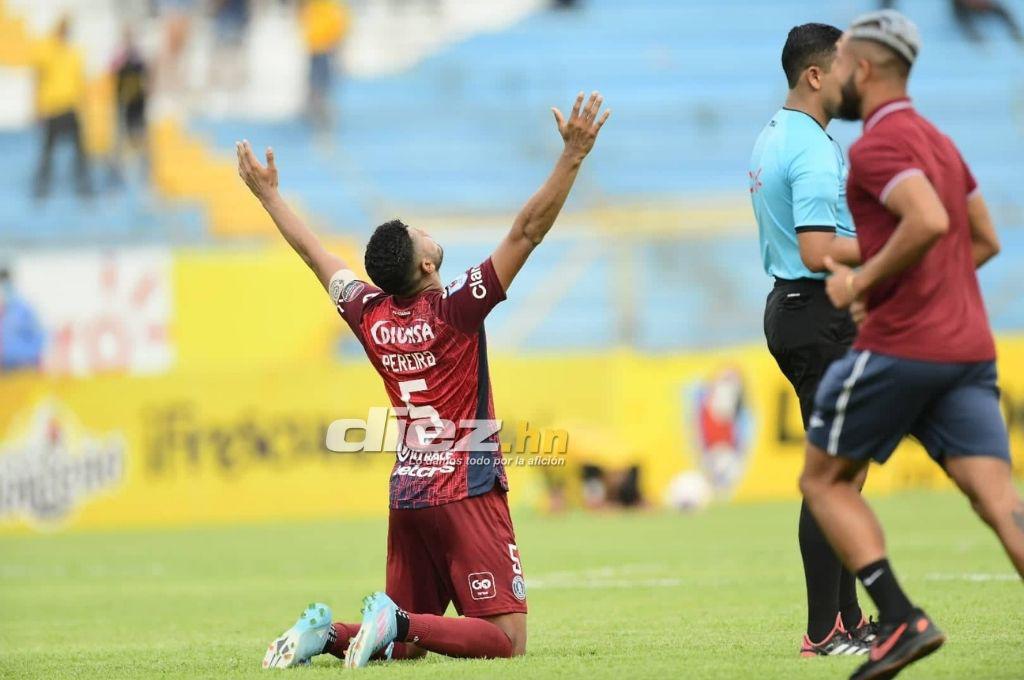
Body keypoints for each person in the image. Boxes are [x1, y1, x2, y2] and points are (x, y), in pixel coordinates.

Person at [238, 91, 610, 668]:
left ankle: (325, 635)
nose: (428, 230)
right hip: (465, 486)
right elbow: (527, 232)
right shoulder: (457, 308)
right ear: (427, 266)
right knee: (507, 641)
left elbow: (315, 255)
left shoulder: (368, 313)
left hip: (408, 491)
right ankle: (396, 618)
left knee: (404, 647)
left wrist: (268, 195)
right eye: (421, 234)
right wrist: (573, 157)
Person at [797, 11, 1020, 680]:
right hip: (968, 351)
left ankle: (899, 618)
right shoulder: (941, 142)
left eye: (840, 66)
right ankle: (899, 620)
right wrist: (907, 285)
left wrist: (863, 283)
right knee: (998, 500)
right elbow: (983, 240)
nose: (833, 78)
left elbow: (928, 219)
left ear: (862, 70)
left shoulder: (876, 146)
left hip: (902, 350)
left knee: (822, 479)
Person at [749, 22, 873, 658]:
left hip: (797, 307)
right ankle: (823, 628)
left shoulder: (778, 134)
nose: (859, 78)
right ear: (815, 76)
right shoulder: (812, 149)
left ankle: (848, 621)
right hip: (816, 309)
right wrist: (895, 243)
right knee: (832, 474)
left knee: (843, 471)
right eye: (848, 66)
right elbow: (819, 249)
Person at [31, 15, 92, 199]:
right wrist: (38, 108)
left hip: (71, 107)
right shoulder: (47, 52)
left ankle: (83, 189)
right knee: (47, 154)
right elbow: (38, 80)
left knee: (80, 153)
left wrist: (83, 106)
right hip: (52, 108)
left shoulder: (74, 53)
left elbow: (80, 81)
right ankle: (41, 190)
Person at [300, 0, 351, 131]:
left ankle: (319, 108)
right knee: (317, 80)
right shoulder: (319, 6)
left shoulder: (328, 6)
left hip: (323, 46)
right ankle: (316, 108)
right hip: (317, 46)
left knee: (320, 80)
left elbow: (339, 22)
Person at [109, 26, 150, 186]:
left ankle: (143, 178)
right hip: (122, 107)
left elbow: (145, 74)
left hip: (137, 106)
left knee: (141, 142)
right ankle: (117, 180)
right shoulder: (118, 57)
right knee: (119, 144)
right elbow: (112, 70)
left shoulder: (138, 57)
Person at [0, 267, 45, 372]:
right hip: (5, 364)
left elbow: (39, 334)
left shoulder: (22, 308)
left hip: (23, 363)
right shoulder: (5, 309)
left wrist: (33, 358)